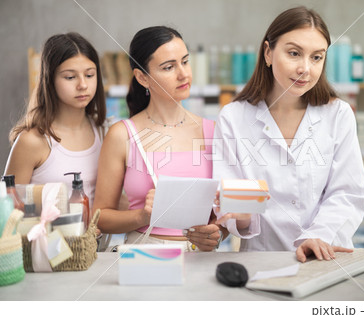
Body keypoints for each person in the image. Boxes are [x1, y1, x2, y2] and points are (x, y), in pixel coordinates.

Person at [213, 7, 364, 262]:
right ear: (268, 53)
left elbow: (348, 193)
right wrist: (237, 214)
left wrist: (319, 235)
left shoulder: (338, 114)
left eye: (316, 57)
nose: (305, 69)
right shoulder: (233, 118)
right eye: (294, 53)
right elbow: (237, 210)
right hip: (261, 262)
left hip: (324, 258)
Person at [93, 26, 223, 251]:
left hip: (201, 260)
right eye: (169, 67)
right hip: (147, 256)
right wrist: (142, 217)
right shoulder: (122, 135)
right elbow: (99, 218)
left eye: (185, 61)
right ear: (142, 77)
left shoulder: (213, 131)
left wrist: (218, 232)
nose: (183, 74)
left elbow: (222, 214)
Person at [4, 32, 106, 209]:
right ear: (49, 80)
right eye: (70, 77)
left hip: (98, 237)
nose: (82, 85)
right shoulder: (32, 140)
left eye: (89, 75)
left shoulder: (105, 131)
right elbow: (7, 210)